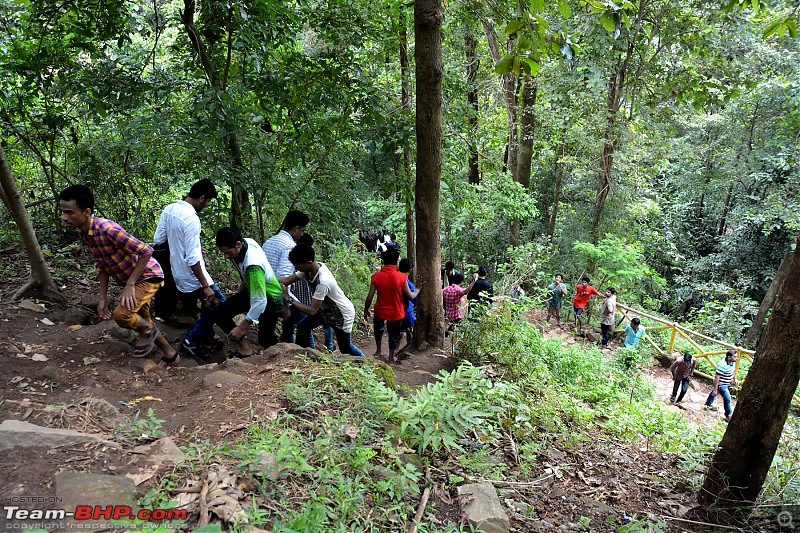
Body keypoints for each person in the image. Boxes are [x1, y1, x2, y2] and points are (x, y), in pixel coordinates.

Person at [59, 185, 179, 365]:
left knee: (122, 315)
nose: (64, 217)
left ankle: (149, 332)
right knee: (143, 321)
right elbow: (102, 265)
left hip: (148, 276)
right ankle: (172, 355)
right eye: (63, 212)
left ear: (86, 212)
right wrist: (102, 298)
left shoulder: (108, 230)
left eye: (69, 212)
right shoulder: (86, 234)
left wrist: (130, 285)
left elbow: (146, 251)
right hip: (133, 280)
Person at [183, 228, 284, 357]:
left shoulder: (253, 265)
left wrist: (242, 327)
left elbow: (260, 301)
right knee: (220, 312)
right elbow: (247, 277)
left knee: (265, 338)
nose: (225, 256)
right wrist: (239, 295)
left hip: (270, 299)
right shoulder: (248, 243)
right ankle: (245, 349)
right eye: (223, 253)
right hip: (252, 290)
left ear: (238, 244)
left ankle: (281, 357)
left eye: (228, 252)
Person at [153, 179, 225, 357]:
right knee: (219, 303)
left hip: (174, 269)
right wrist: (205, 285)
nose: (206, 205)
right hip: (190, 274)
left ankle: (206, 336)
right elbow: (193, 259)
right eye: (207, 201)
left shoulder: (169, 209)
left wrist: (182, 244)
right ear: (202, 198)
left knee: (208, 306)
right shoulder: (192, 219)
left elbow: (158, 239)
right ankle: (193, 342)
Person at [280, 244, 366, 357]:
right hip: (325, 311)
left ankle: (367, 364)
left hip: (341, 315)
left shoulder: (323, 281)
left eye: (298, 266)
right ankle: (303, 357)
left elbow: (312, 311)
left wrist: (289, 299)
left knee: (346, 347)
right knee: (303, 326)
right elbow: (286, 280)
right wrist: (267, 277)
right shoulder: (309, 269)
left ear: (308, 263)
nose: (297, 269)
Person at [364, 247, 420, 362]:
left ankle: (378, 350)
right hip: (396, 311)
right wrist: (418, 289)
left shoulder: (376, 276)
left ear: (383, 260)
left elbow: (369, 297)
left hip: (380, 309)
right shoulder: (402, 277)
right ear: (396, 262)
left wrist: (366, 310)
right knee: (394, 334)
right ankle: (390, 357)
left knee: (378, 329)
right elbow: (410, 296)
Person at [261, 210, 309, 343]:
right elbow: (284, 277)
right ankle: (310, 354)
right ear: (296, 229)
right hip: (278, 294)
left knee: (266, 333)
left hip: (264, 291)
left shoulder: (270, 241)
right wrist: (286, 305)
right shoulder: (290, 246)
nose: (302, 234)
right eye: (302, 230)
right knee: (305, 322)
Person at [704, 350, 739, 421]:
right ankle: (728, 414)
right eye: (735, 356)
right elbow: (717, 377)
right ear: (729, 357)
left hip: (726, 383)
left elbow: (732, 371)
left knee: (714, 394)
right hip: (721, 384)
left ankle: (707, 405)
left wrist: (735, 379)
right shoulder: (722, 365)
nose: (736, 358)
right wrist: (715, 389)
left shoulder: (732, 362)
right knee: (727, 398)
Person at [398, 258, 417, 350]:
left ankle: (393, 353)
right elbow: (414, 299)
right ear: (410, 270)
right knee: (409, 330)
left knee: (397, 333)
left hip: (395, 311)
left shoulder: (395, 280)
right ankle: (409, 348)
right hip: (406, 312)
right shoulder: (409, 284)